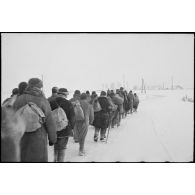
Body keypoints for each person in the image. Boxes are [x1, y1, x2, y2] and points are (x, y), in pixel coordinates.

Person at [13, 78, 57, 162]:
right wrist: (53, 139)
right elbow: (50, 121)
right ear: (39, 88)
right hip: (38, 138)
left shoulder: (18, 100)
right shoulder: (42, 100)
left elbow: (12, 119)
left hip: (21, 137)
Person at [50, 88, 75, 162]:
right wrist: (72, 127)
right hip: (64, 129)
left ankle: (55, 160)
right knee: (62, 148)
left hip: (53, 129)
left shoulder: (50, 102)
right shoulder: (68, 103)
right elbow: (72, 117)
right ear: (65, 94)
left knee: (56, 146)